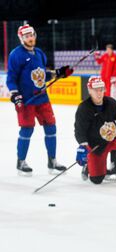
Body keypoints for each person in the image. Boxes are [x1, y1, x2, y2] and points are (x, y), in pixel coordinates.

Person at [7, 24, 71, 176]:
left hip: (42, 98)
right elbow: (11, 78)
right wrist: (15, 94)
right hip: (26, 100)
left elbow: (41, 75)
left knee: (51, 128)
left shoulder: (40, 53)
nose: (30, 38)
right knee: (27, 130)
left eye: (31, 35)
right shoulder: (16, 55)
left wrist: (58, 73)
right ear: (21, 39)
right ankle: (21, 161)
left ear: (34, 35)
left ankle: (52, 160)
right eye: (26, 36)